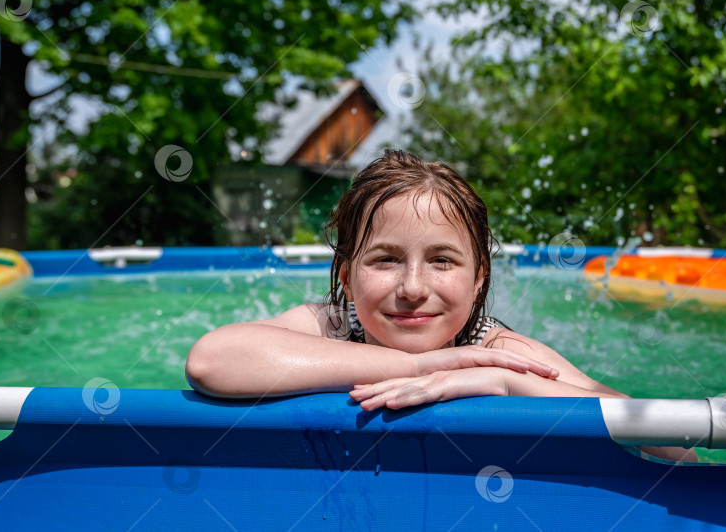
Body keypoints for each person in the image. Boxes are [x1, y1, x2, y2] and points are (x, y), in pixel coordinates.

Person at [186, 149, 695, 462]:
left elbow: (675, 446)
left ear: (478, 282)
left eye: (441, 261)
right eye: (385, 260)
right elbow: (210, 361)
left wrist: (508, 383)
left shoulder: (494, 350)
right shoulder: (332, 323)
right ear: (345, 275)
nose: (412, 286)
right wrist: (419, 363)